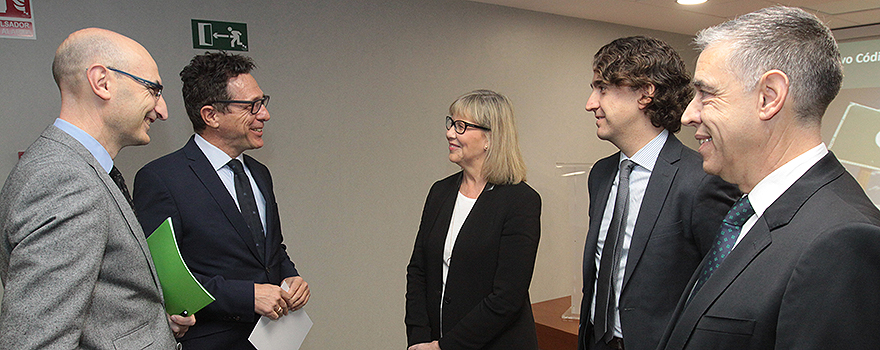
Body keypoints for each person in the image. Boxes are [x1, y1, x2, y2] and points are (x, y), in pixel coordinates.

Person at [658, 6, 880, 350]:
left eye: (707, 94)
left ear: (769, 97)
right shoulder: (746, 211)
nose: (689, 114)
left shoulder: (843, 241)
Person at [0, 28, 195, 349]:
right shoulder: (65, 180)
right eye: (153, 90)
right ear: (102, 82)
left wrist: (154, 326)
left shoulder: (69, 166)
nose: (162, 110)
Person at [132, 51, 309, 350]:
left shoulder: (259, 173)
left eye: (262, 103)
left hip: (273, 339)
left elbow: (270, 250)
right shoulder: (162, 178)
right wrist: (247, 296)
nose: (264, 115)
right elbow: (164, 275)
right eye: (251, 106)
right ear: (211, 115)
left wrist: (291, 278)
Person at [576, 36, 740, 350]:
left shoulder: (702, 181)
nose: (591, 103)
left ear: (645, 93)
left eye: (602, 88)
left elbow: (721, 289)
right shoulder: (601, 174)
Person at [405, 90, 541, 350]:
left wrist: (445, 347)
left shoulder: (521, 201)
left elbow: (507, 298)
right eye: (451, 123)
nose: (449, 133)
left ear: (490, 138)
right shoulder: (440, 192)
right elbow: (418, 270)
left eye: (461, 126)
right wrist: (420, 339)